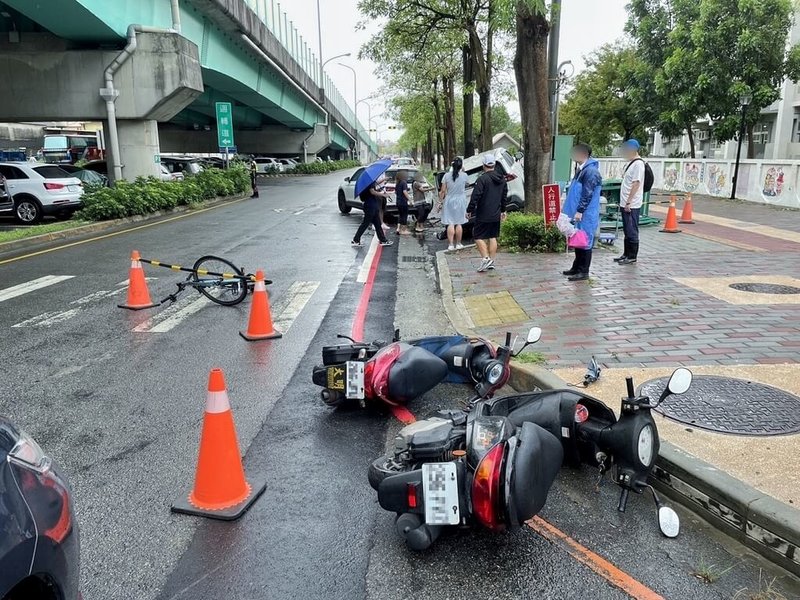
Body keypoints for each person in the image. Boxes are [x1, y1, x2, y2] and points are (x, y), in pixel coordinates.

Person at [562, 143, 602, 281]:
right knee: (578, 239)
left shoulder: (590, 171)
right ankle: (576, 267)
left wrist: (580, 210)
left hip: (586, 213)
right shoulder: (582, 169)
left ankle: (583, 271)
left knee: (585, 241)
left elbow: (587, 193)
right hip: (579, 213)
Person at [467, 154, 508, 273]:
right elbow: (504, 196)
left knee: (477, 236)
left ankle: (485, 258)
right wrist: (503, 210)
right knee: (492, 237)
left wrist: (469, 210)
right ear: (494, 165)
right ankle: (491, 261)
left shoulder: (482, 179)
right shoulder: (502, 180)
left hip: (484, 213)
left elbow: (475, 196)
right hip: (496, 213)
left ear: (484, 165)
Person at [616, 139, 644, 265]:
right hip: (625, 202)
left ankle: (632, 256)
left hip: (632, 204)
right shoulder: (632, 163)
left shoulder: (638, 164)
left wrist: (629, 202)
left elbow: (636, 183)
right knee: (627, 229)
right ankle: (626, 253)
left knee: (632, 229)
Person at [352, 175, 394, 247]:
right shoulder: (370, 181)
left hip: (371, 204)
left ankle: (383, 240)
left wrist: (384, 179)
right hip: (370, 205)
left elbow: (375, 184)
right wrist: (383, 195)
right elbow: (372, 191)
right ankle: (356, 240)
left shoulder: (367, 182)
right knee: (365, 223)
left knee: (377, 223)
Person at [439, 158, 469, 250]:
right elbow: (467, 184)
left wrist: (440, 202)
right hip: (461, 200)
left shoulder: (446, 176)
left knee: (450, 223)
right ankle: (459, 243)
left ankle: (451, 244)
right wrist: (463, 171)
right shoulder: (464, 175)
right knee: (459, 223)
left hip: (449, 200)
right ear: (461, 166)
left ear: (452, 165)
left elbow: (442, 191)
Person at [395, 170, 412, 235]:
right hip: (403, 202)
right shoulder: (404, 182)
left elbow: (396, 192)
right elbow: (404, 192)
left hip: (398, 201)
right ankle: (403, 230)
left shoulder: (397, 183)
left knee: (400, 215)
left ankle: (398, 229)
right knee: (405, 215)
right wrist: (410, 199)